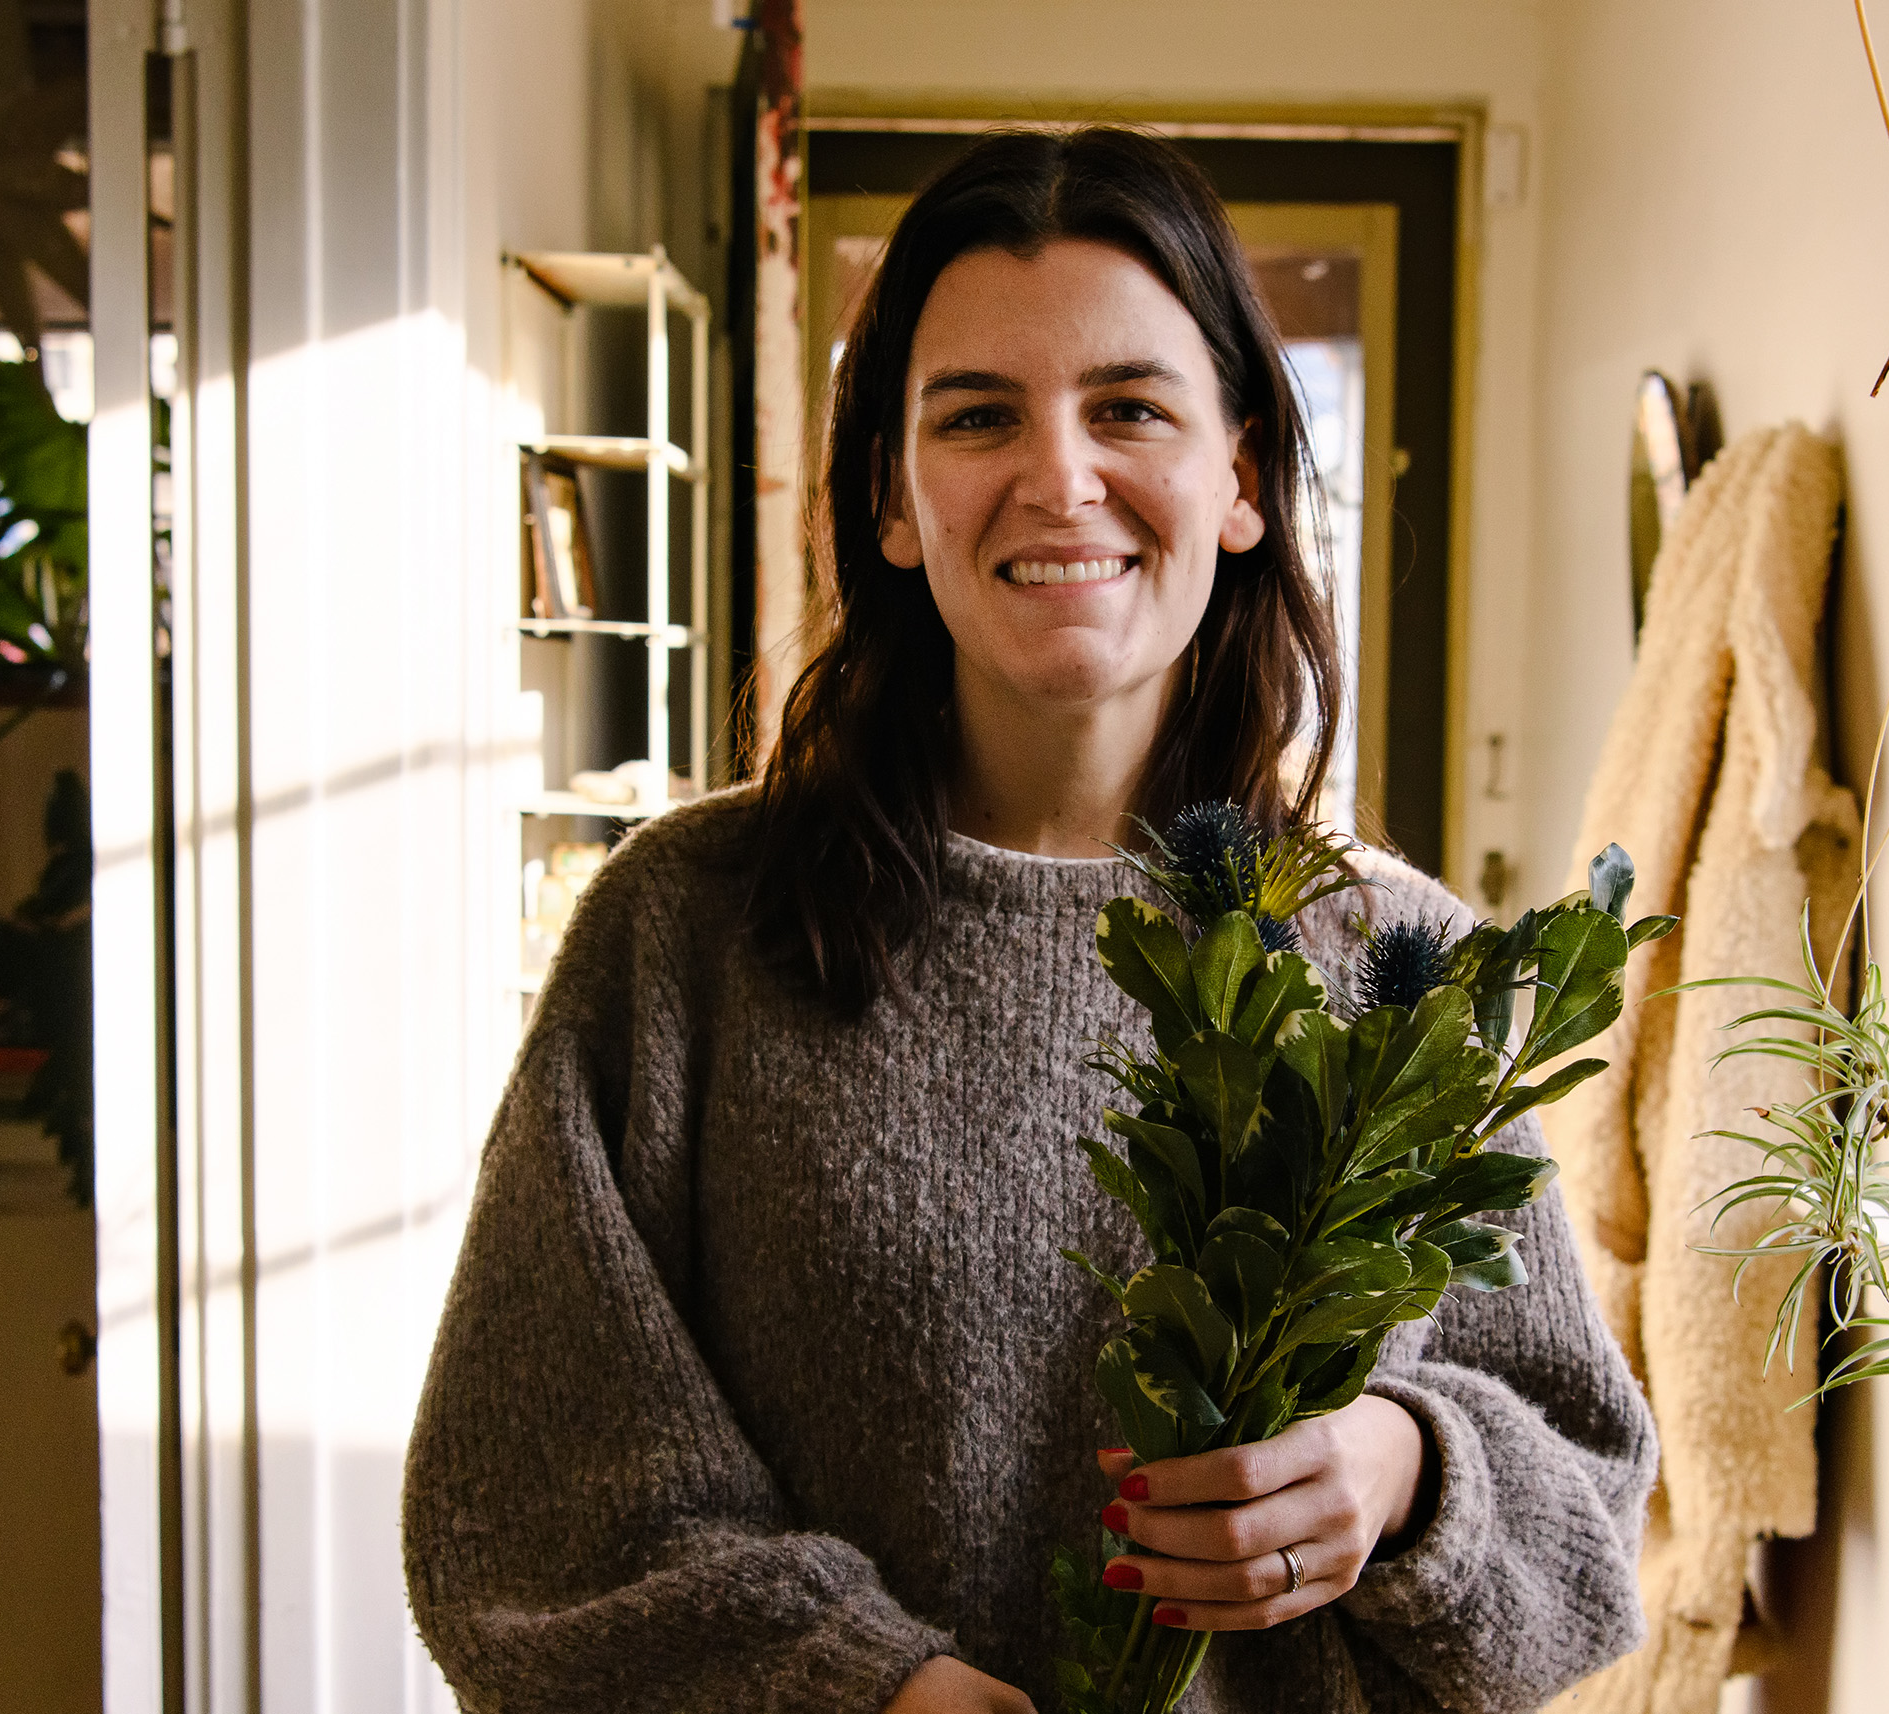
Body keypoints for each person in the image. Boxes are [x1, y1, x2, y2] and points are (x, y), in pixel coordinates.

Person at [401, 126, 1652, 1714]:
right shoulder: (681, 942)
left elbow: (1590, 1508)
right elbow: (520, 1519)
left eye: (1129, 405)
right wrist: (868, 1686)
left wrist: (1409, 1471)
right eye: (978, 414)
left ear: (1243, 475)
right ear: (895, 497)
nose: (1060, 477)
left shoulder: (1394, 975)